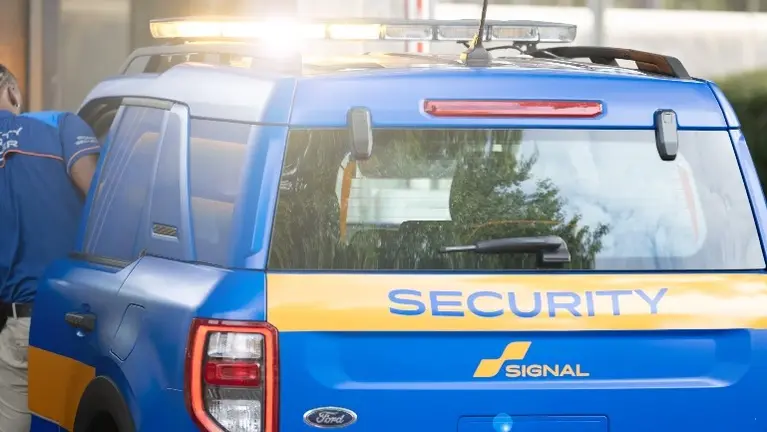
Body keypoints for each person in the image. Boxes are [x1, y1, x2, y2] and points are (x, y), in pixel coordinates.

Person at [0, 64, 100, 431]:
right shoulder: (61, 125)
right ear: (12, 92)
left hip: (16, 323)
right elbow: (100, 199)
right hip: (72, 318)